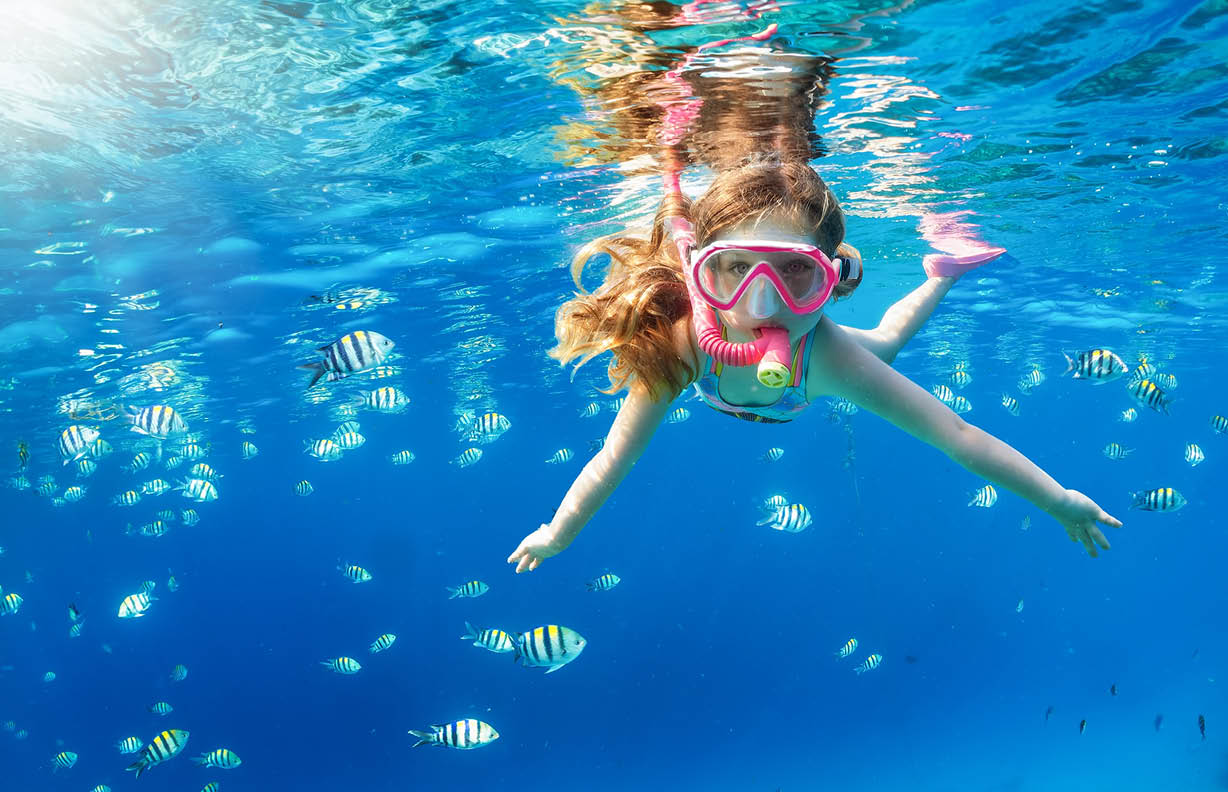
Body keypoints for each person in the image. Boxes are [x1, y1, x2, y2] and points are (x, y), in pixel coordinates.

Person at [507, 156, 1121, 573]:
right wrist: (559, 532)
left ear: (829, 277)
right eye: (736, 267)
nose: (763, 304)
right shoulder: (684, 343)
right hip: (782, 383)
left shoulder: (828, 354)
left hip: (807, 379)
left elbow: (957, 436)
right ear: (702, 274)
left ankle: (942, 271)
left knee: (881, 342)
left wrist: (1059, 499)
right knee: (877, 346)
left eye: (796, 270)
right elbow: (615, 455)